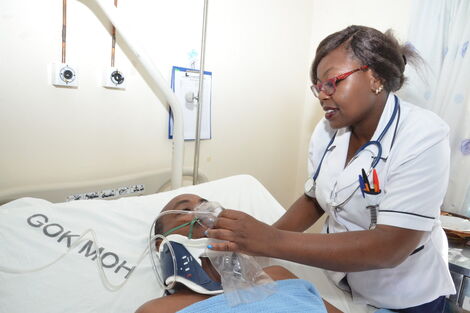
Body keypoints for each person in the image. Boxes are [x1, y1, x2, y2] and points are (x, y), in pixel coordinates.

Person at [205, 25, 455, 312]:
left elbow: (391, 246)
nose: (322, 95)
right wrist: (254, 245)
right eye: (318, 87)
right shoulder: (326, 131)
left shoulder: (424, 135)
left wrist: (270, 240)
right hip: (340, 282)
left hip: (403, 293)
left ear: (374, 77)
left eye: (332, 82)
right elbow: (315, 198)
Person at [135, 194, 343, 313]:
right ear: (162, 245)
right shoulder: (156, 311)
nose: (204, 211)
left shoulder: (278, 275)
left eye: (204, 204)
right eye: (184, 211)